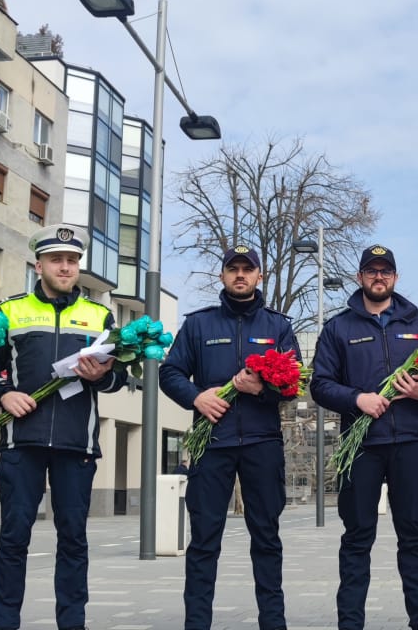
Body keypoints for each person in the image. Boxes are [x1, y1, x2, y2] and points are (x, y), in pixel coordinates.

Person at [0, 224, 127, 630]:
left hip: (77, 445)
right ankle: (6, 622)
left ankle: (72, 623)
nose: (65, 267)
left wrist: (99, 377)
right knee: (13, 538)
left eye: (72, 261)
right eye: (57, 259)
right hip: (22, 442)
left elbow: (118, 378)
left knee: (73, 539)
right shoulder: (11, 310)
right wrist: (3, 393)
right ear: (38, 264)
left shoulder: (99, 315)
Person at [159, 245, 299, 630]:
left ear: (259, 276)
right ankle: (197, 624)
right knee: (204, 542)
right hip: (211, 445)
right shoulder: (199, 325)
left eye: (247, 269)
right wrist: (197, 397)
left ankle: (274, 623)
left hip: (262, 445)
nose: (240, 275)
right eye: (233, 269)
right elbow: (169, 373)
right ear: (222, 276)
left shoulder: (278, 327)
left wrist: (262, 390)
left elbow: (293, 386)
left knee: (267, 538)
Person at [310, 244, 418, 630]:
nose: (379, 277)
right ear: (360, 278)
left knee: (413, 537)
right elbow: (320, 384)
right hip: (361, 448)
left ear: (396, 278)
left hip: (410, 444)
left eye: (386, 271)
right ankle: (350, 623)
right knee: (356, 539)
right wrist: (357, 399)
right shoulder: (339, 327)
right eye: (372, 271)